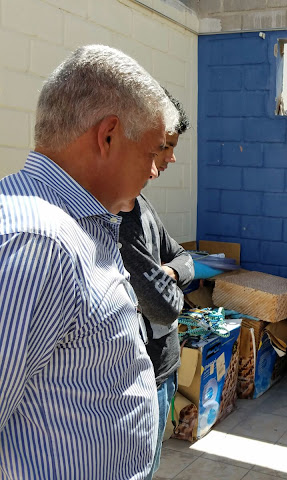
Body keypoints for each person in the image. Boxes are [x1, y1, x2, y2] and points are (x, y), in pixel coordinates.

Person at [0, 45, 179, 479]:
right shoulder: (38, 242)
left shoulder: (80, 226)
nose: (155, 170)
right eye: (153, 151)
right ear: (108, 136)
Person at [118, 90, 194, 480]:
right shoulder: (117, 218)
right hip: (139, 378)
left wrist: (169, 274)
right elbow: (166, 308)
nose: (170, 158)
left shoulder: (142, 205)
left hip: (166, 367)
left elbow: (184, 257)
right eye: (165, 147)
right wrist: (167, 285)